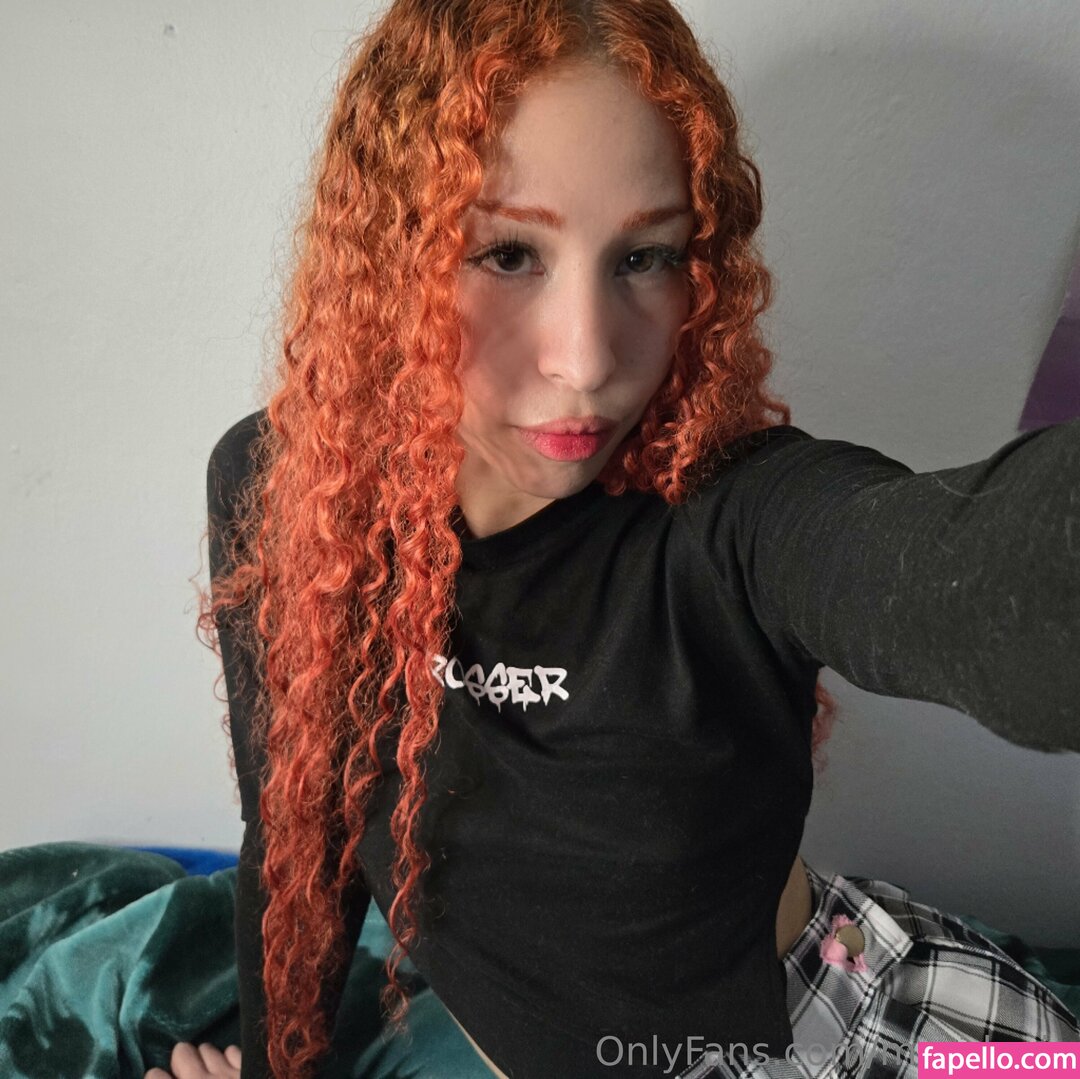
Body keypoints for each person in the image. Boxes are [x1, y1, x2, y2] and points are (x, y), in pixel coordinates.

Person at [147, 1, 1080, 1077]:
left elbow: (980, 577)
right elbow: (294, 835)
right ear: (390, 256)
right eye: (508, 252)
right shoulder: (280, 489)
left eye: (644, 256)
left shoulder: (729, 521)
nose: (587, 361)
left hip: (854, 1027)